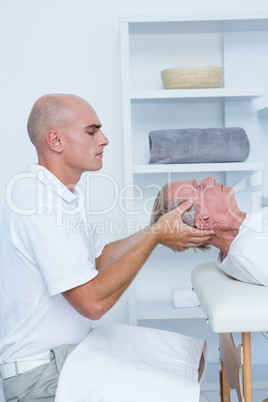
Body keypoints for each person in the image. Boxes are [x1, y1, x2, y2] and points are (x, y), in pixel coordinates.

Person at [0, 94, 215, 402]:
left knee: (178, 369)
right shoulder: (38, 204)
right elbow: (92, 302)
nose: (104, 139)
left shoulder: (60, 196)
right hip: (42, 377)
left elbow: (98, 260)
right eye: (92, 131)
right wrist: (156, 237)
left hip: (69, 357)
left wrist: (157, 228)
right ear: (55, 140)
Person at [151, 176, 268, 286]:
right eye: (201, 187)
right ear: (204, 221)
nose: (211, 179)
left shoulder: (253, 225)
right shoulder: (247, 252)